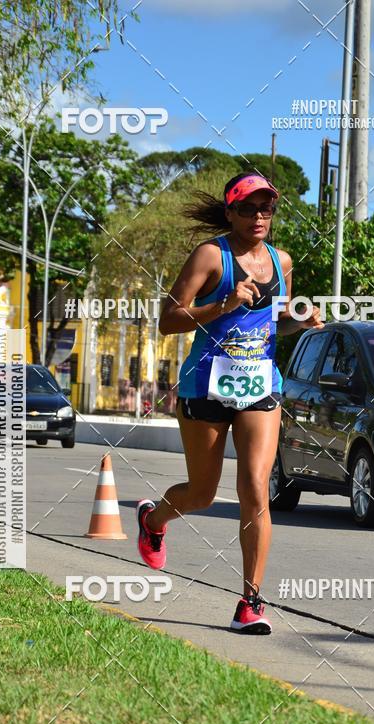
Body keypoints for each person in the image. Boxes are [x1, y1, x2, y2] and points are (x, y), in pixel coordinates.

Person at [135, 172, 323, 634]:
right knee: (201, 492)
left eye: (267, 209)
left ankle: (250, 604)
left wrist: (299, 323)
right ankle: (154, 519)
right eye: (248, 208)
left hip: (259, 385)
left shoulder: (281, 261)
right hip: (206, 385)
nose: (259, 216)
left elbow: (270, 323)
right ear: (230, 211)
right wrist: (224, 304)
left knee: (256, 490)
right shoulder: (210, 256)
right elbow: (168, 320)